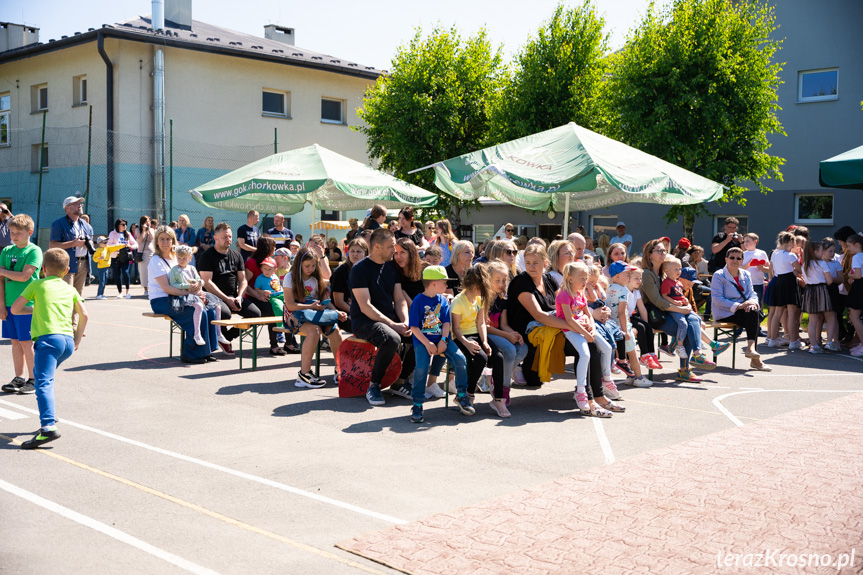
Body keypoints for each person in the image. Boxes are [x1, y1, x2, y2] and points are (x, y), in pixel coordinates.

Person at [508, 244, 618, 414]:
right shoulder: (520, 282)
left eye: (535, 263)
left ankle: (597, 396)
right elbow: (540, 316)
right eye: (528, 262)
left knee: (593, 345)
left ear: (545, 263)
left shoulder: (550, 280)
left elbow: (571, 304)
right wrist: (578, 327)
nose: (531, 267)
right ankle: (589, 398)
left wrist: (589, 318)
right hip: (533, 332)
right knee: (588, 347)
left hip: (557, 326)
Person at [11, 248, 88, 448]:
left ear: (43, 268)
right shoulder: (69, 289)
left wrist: (35, 308)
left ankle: (48, 427)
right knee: (46, 378)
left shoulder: (36, 285)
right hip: (67, 342)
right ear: (67, 270)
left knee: (42, 383)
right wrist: (77, 339)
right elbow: (84, 315)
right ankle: (50, 417)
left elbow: (15, 309)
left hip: (48, 341)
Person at [349, 228, 411, 406]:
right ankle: (374, 385)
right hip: (364, 322)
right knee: (391, 338)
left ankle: (400, 381)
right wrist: (394, 325)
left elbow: (399, 299)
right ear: (377, 247)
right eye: (391, 246)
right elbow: (365, 306)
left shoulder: (392, 266)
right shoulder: (359, 269)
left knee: (419, 334)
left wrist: (405, 321)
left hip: (389, 320)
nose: (395, 251)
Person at [408, 265, 474, 423]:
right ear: (433, 283)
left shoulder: (443, 300)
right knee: (422, 368)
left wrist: (444, 340)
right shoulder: (418, 301)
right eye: (444, 282)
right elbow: (414, 327)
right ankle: (417, 403)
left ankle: (462, 395)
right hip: (423, 341)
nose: (446, 285)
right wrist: (428, 344)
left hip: (442, 339)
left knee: (460, 359)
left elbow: (446, 322)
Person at [148, 226, 219, 364]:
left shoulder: (177, 257)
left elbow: (190, 277)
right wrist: (191, 294)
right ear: (157, 241)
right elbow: (167, 288)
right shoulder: (155, 260)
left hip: (180, 296)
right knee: (195, 311)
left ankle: (206, 350)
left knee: (209, 310)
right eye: (161, 239)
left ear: (173, 241)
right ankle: (190, 354)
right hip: (162, 300)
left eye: (168, 239)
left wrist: (198, 286)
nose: (165, 242)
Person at [641, 238, 707, 382]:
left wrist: (686, 306)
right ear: (650, 254)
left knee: (693, 319)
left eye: (664, 250)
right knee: (687, 327)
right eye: (659, 251)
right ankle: (685, 369)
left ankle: (696, 355)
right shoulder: (647, 274)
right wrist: (681, 309)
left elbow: (676, 293)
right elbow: (657, 301)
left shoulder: (665, 273)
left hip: (671, 311)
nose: (663, 253)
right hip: (655, 315)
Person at [556, 261, 618, 412]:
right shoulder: (564, 295)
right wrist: (585, 333)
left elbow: (588, 314)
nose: (585, 282)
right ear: (570, 279)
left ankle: (607, 380)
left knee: (607, 348)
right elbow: (569, 320)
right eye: (582, 279)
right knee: (585, 354)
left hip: (585, 328)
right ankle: (581, 391)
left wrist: (592, 331)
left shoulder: (580, 294)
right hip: (570, 330)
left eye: (586, 278)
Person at [198, 222, 260, 356]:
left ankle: (227, 338)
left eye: (230, 237)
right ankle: (221, 337)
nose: (229, 240)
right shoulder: (207, 256)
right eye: (225, 237)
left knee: (255, 314)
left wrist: (239, 296)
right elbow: (207, 282)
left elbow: (243, 279)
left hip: (233, 296)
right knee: (224, 314)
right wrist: (226, 299)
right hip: (213, 298)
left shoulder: (236, 255)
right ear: (215, 238)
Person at [0, 214, 42, 394]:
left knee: (27, 343)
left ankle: (34, 379)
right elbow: (1, 280)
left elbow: (25, 276)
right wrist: (1, 304)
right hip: (9, 305)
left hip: (27, 305)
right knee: (15, 342)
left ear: (29, 232)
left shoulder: (34, 251)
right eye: (12, 232)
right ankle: (19, 377)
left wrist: (2, 271)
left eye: (18, 232)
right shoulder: (6, 251)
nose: (14, 235)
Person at [710, 247, 771, 370]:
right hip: (725, 311)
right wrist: (739, 306)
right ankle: (755, 359)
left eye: (739, 258)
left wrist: (752, 302)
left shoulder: (746, 274)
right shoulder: (719, 275)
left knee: (752, 312)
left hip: (745, 311)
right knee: (752, 318)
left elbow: (752, 293)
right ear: (726, 259)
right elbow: (717, 299)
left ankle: (751, 349)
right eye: (732, 257)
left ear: (742, 260)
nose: (735, 260)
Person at [451, 265, 502, 410]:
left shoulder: (480, 299)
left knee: (498, 357)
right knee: (481, 358)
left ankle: (498, 398)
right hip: (462, 337)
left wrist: (485, 341)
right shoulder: (458, 302)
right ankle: (469, 393)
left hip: (476, 334)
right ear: (472, 284)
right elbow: (455, 328)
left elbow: (481, 323)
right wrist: (467, 343)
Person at [484, 261, 528, 403]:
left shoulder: (503, 300)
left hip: (499, 332)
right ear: (487, 279)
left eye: (504, 280)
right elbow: (485, 327)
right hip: (486, 333)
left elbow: (503, 324)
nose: (501, 284)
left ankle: (497, 377)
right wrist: (507, 335)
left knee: (522, 348)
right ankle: (504, 387)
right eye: (497, 280)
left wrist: (514, 333)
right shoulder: (483, 299)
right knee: (509, 349)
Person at [607, 262, 653, 388]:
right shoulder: (623, 291)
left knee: (625, 352)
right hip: (623, 326)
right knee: (632, 353)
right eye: (626, 274)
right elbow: (622, 312)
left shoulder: (609, 287)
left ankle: (630, 376)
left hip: (612, 324)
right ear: (616, 276)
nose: (629, 276)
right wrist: (625, 330)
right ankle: (638, 378)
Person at [169, 245, 225, 346]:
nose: (181, 260)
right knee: (198, 306)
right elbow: (173, 284)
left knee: (217, 305)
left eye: (184, 258)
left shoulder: (192, 268)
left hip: (195, 293)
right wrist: (188, 285)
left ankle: (218, 333)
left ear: (190, 258)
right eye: (179, 258)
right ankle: (197, 334)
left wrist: (199, 283)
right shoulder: (174, 270)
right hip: (183, 295)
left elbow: (201, 280)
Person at [49, 196, 92, 318]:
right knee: (67, 296)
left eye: (80, 203)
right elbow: (52, 244)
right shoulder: (58, 223)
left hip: (83, 263)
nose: (80, 205)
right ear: (68, 208)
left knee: (77, 296)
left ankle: (73, 325)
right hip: (66, 264)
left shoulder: (85, 224)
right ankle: (67, 326)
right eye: (76, 203)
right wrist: (73, 243)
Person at [240, 237, 283, 356]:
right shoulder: (252, 262)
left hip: (270, 296)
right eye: (274, 247)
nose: (275, 250)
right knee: (272, 310)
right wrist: (257, 295)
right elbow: (245, 284)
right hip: (253, 297)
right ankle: (274, 345)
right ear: (268, 248)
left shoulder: (270, 262)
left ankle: (290, 342)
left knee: (285, 307)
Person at [766, 231, 803, 349]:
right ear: (791, 242)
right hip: (789, 282)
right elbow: (800, 270)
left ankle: (772, 339)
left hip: (778, 281)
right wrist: (796, 271)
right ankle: (793, 341)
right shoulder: (791, 255)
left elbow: (772, 268)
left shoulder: (775, 253)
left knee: (777, 312)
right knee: (792, 313)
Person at [800, 239, 836, 354]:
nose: (822, 253)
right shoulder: (822, 263)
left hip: (809, 290)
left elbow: (805, 280)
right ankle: (830, 342)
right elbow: (829, 280)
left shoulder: (805, 263)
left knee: (812, 320)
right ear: (815, 251)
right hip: (821, 289)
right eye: (821, 251)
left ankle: (813, 345)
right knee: (830, 316)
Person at [626, 266, 662, 370]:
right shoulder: (624, 291)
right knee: (640, 328)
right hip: (623, 318)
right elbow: (623, 311)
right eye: (636, 278)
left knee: (647, 327)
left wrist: (648, 325)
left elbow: (642, 309)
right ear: (628, 278)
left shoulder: (636, 292)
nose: (639, 281)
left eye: (640, 278)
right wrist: (629, 327)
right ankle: (644, 355)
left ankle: (651, 354)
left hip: (631, 317)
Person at [331, 238, 368, 332]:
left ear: (365, 253)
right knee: (366, 327)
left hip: (365, 310)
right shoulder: (340, 272)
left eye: (359, 251)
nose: (355, 254)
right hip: (344, 313)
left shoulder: (368, 271)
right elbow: (339, 302)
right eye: (352, 251)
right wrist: (358, 312)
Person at [659, 256, 690, 356]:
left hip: (681, 307)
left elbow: (680, 295)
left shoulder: (678, 282)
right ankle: (680, 346)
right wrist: (675, 303)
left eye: (680, 269)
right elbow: (664, 296)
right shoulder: (666, 282)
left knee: (697, 321)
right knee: (683, 324)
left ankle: (673, 346)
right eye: (676, 269)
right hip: (674, 309)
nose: (679, 271)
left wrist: (685, 299)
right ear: (666, 271)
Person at [842, 234, 863, 356]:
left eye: (849, 246)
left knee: (854, 316)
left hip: (859, 286)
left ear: (857, 245)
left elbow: (858, 275)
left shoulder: (857, 257)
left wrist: (849, 275)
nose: (848, 249)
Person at [107, 219, 138, 299]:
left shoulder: (127, 233)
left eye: (125, 224)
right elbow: (108, 245)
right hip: (115, 256)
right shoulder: (112, 233)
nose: (125, 226)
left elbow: (135, 244)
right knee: (117, 274)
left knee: (125, 272)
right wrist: (119, 245)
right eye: (123, 224)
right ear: (118, 225)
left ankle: (128, 291)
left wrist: (130, 246)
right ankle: (120, 292)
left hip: (125, 256)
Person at [741, 233, 769, 308]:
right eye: (744, 241)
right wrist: (748, 264)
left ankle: (757, 318)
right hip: (745, 283)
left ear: (755, 242)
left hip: (758, 283)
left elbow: (769, 268)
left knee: (758, 302)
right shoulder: (742, 254)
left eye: (748, 241)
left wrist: (762, 268)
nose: (745, 243)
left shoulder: (761, 253)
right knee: (745, 303)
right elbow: (739, 269)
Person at [92, 235, 124, 300]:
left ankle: (102, 294)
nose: (106, 243)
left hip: (106, 267)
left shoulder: (108, 248)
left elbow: (115, 247)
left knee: (105, 281)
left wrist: (123, 245)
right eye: (104, 242)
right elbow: (94, 259)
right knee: (102, 281)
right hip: (101, 268)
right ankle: (99, 294)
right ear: (100, 243)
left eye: (106, 242)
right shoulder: (98, 250)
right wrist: (99, 258)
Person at [136, 216, 155, 297]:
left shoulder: (151, 230)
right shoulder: (138, 229)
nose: (148, 223)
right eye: (146, 221)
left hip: (150, 252)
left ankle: (151, 288)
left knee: (151, 271)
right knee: (143, 271)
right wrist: (143, 231)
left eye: (149, 221)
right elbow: (140, 240)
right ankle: (145, 289)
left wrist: (149, 230)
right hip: (142, 253)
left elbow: (152, 239)